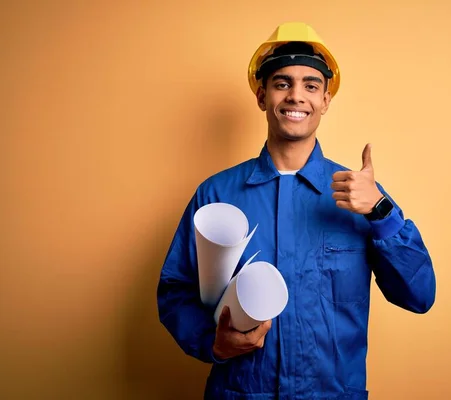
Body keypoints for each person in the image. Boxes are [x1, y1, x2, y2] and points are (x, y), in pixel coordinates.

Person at [157, 22, 436, 399]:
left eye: (311, 85)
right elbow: (176, 290)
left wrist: (381, 212)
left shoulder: (361, 196)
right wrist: (213, 343)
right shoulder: (217, 194)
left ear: (325, 101)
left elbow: (419, 296)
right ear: (262, 96)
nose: (296, 96)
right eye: (282, 83)